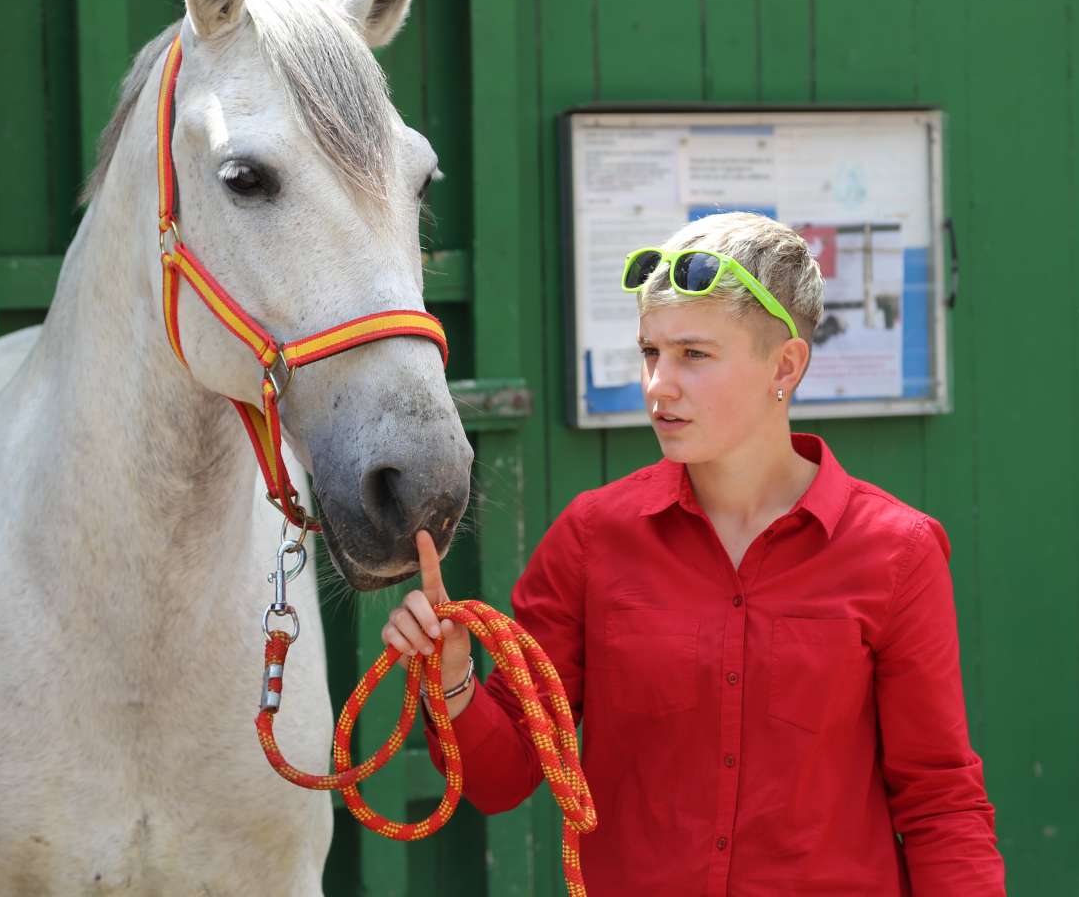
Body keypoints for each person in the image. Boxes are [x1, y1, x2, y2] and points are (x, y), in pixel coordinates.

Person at [383, 211, 1004, 895]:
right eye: (651, 353)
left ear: (786, 364)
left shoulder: (896, 552)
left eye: (694, 355)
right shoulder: (593, 538)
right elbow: (503, 780)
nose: (659, 385)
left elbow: (941, 801)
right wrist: (452, 681)